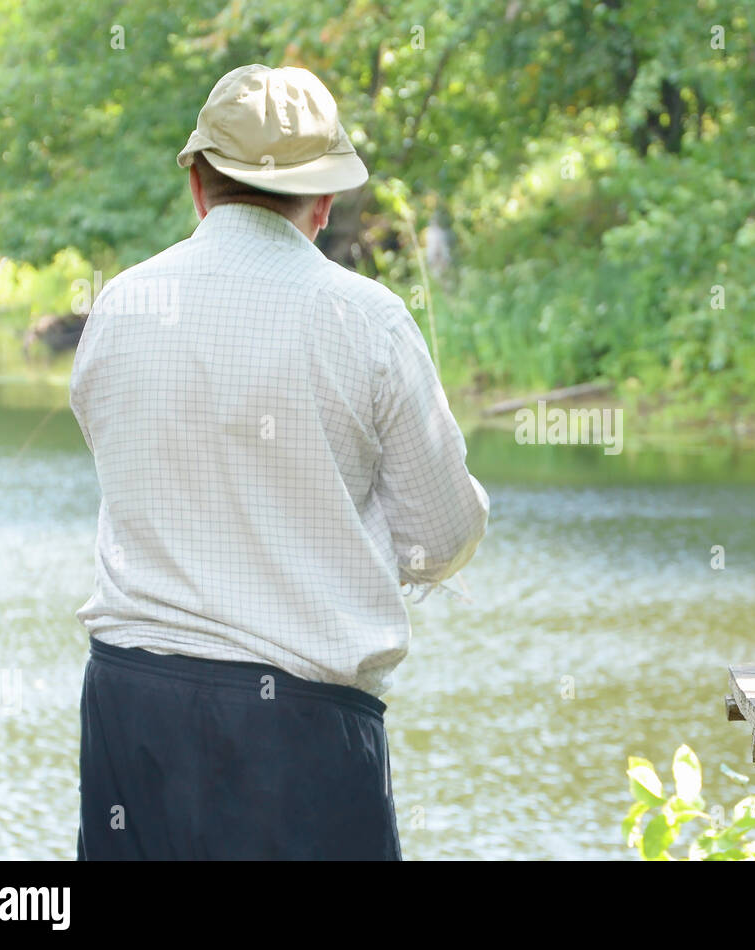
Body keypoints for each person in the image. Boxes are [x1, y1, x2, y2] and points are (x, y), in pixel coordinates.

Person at [69, 64, 489, 860]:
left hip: (130, 708)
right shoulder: (371, 322)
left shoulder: (119, 304)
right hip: (299, 728)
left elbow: (119, 459)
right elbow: (441, 536)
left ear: (197, 184)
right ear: (324, 203)